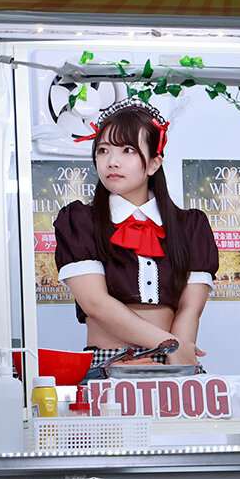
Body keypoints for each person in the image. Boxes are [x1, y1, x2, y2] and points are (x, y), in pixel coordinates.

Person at [54, 98, 218, 377]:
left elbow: (190, 308)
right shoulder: (80, 221)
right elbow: (95, 303)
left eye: (128, 150)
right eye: (103, 150)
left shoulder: (190, 226)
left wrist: (177, 358)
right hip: (109, 363)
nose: (112, 161)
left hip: (174, 361)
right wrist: (170, 344)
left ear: (153, 164)